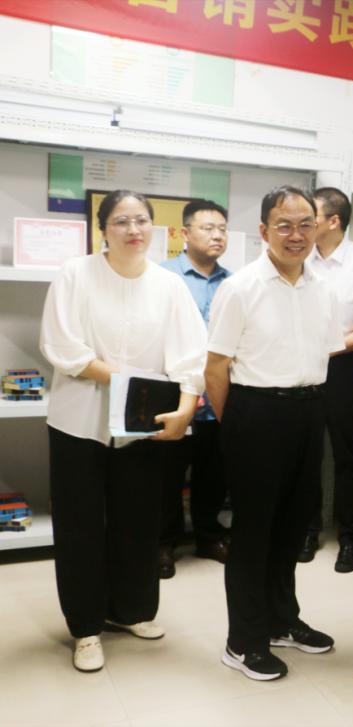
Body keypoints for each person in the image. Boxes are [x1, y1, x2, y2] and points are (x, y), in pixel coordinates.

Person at [40, 189, 207, 673]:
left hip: (141, 426)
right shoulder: (75, 274)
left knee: (138, 522)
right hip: (79, 422)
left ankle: (130, 610)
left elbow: (190, 354)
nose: (133, 230)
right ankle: (86, 627)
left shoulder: (168, 285)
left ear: (155, 227)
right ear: (103, 229)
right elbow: (61, 346)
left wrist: (186, 408)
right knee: (80, 526)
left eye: (141, 220)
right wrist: (128, 379)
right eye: (121, 221)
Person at [205, 186, 345, 681]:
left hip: (308, 410)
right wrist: (237, 426)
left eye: (306, 224)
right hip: (256, 413)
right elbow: (215, 367)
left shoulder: (323, 287)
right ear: (264, 230)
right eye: (284, 225)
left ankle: (282, 620)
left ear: (319, 227)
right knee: (253, 533)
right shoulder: (241, 288)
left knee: (292, 527)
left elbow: (326, 352)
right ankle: (243, 641)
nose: (296, 234)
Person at [298, 187, 353, 572]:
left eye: (310, 217)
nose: (302, 225)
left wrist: (332, 348)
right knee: (306, 453)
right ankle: (308, 530)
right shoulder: (301, 257)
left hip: (343, 367)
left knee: (346, 454)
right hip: (301, 366)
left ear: (333, 221)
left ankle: (350, 538)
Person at [158, 199, 232, 578]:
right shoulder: (162, 276)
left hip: (216, 394)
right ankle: (164, 542)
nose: (217, 235)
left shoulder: (233, 282)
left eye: (222, 229)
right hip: (174, 392)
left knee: (213, 472)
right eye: (208, 228)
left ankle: (208, 535)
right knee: (166, 474)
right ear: (185, 233)